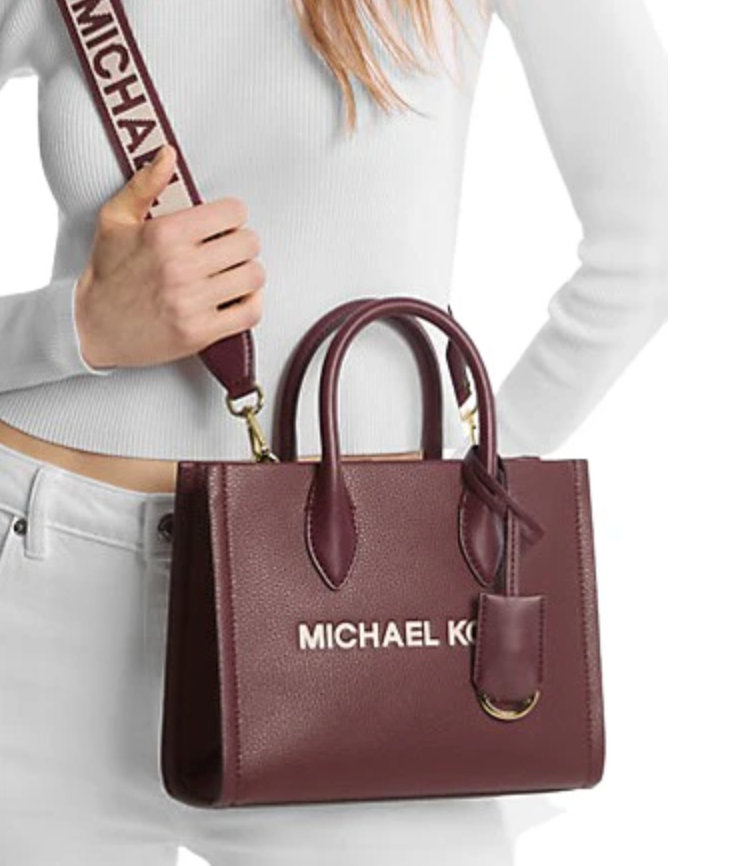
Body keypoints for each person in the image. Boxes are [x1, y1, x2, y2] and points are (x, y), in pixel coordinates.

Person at [0, 0, 667, 863]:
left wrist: (457, 504)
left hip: (360, 622)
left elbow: (650, 254)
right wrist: (77, 327)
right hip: (40, 588)